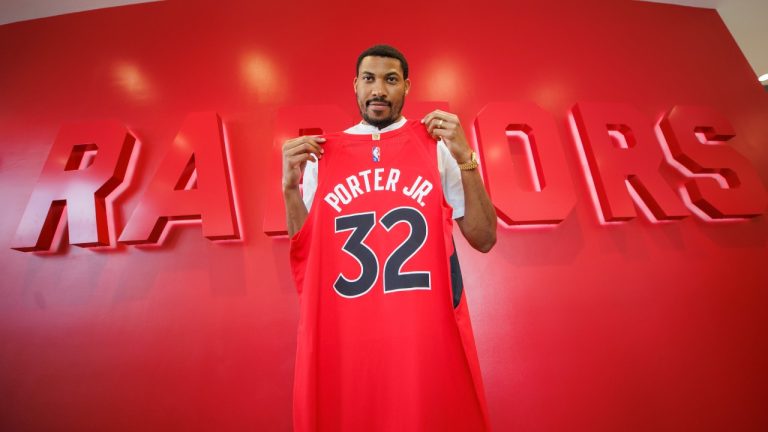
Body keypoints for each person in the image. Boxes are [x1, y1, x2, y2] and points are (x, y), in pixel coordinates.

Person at [282, 44, 497, 432]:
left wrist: (465, 155)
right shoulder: (321, 155)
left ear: (406, 87)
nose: (378, 89)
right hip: (349, 337)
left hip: (424, 334)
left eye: (390, 80)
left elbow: (483, 238)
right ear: (355, 85)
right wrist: (289, 190)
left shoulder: (436, 147)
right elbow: (307, 255)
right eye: (369, 79)